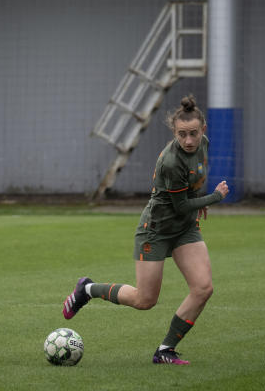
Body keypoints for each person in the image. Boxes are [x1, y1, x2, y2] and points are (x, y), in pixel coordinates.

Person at [62, 95, 228, 365]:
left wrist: (200, 195)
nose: (188, 140)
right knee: (144, 299)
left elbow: (194, 182)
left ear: (203, 131)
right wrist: (213, 198)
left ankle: (165, 350)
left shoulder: (203, 145)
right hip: (156, 230)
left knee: (203, 288)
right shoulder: (171, 162)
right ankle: (88, 289)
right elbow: (180, 204)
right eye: (182, 135)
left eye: (194, 134)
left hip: (184, 228)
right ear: (174, 133)